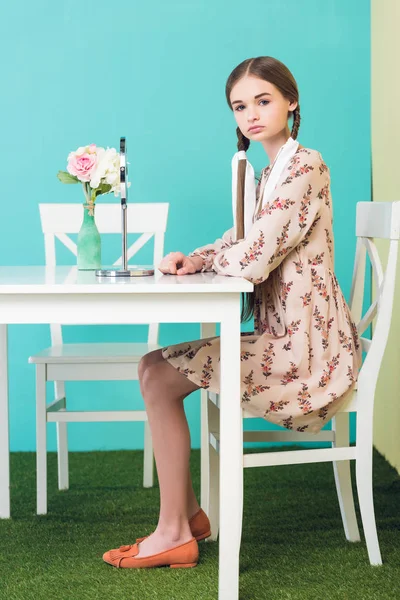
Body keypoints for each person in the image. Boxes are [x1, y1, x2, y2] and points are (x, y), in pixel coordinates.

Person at [103, 56, 362, 569]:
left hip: (308, 356)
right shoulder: (271, 173)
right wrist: (197, 258)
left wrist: (220, 255)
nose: (250, 114)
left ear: (291, 101)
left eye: (262, 101)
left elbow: (256, 256)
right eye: (240, 106)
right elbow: (240, 238)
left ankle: (175, 530)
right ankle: (186, 517)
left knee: (158, 375)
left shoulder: (306, 166)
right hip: (283, 336)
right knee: (154, 368)